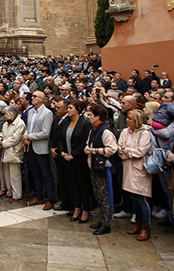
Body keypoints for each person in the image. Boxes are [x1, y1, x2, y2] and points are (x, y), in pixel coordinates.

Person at [117, 109, 152, 241]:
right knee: (134, 198)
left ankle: (146, 226)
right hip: (128, 167)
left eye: (130, 118)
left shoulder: (145, 133)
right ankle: (137, 222)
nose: (127, 120)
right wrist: (127, 151)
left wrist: (126, 150)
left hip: (140, 170)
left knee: (142, 199)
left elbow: (140, 152)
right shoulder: (125, 132)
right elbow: (119, 149)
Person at [85, 103, 118, 235]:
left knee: (104, 196)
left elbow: (112, 149)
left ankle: (106, 223)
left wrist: (94, 150)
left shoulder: (105, 131)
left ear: (98, 117)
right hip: (94, 166)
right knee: (98, 195)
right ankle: (102, 220)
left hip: (103, 168)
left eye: (91, 115)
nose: (89, 117)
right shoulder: (94, 129)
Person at [59, 99, 92, 223]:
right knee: (73, 184)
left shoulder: (85, 123)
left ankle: (85, 210)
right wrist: (62, 152)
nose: (68, 110)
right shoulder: (66, 122)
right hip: (67, 158)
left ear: (78, 109)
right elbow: (61, 138)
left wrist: (73, 154)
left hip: (79, 159)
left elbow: (85, 141)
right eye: (67, 108)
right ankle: (76, 207)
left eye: (71, 108)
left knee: (83, 185)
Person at [22, 91, 54, 210]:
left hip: (42, 148)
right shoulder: (30, 111)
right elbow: (28, 128)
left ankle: (50, 199)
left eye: (35, 96)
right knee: (35, 173)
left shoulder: (47, 113)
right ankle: (38, 195)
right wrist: (26, 136)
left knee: (46, 174)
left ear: (41, 99)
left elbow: (45, 133)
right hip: (31, 147)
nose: (33, 98)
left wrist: (29, 137)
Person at [0, 104, 25, 202]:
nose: (5, 115)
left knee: (14, 175)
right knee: (7, 173)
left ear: (12, 115)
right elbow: (1, 133)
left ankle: (17, 194)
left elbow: (15, 138)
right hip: (5, 151)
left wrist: (3, 143)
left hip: (14, 151)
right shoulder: (5, 123)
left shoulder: (20, 124)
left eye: (7, 114)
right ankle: (9, 192)